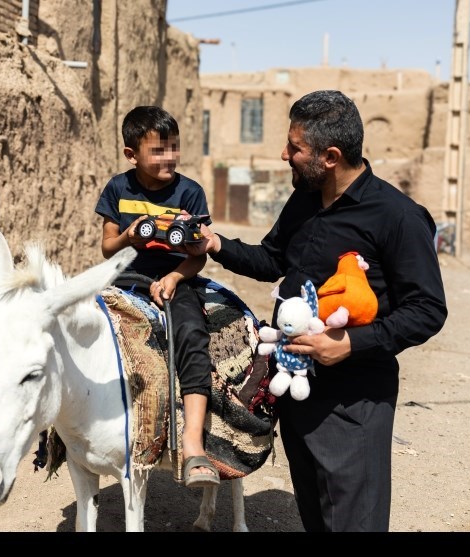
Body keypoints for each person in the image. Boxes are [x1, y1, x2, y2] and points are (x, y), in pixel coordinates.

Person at [184, 90, 448, 531]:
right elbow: (272, 259)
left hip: (354, 403)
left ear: (330, 156)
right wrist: (216, 245)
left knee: (353, 522)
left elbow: (427, 309)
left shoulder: (397, 216)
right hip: (298, 394)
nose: (283, 154)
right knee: (317, 518)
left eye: (294, 147)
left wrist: (348, 343)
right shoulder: (306, 200)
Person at [94, 105, 219, 488]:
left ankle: (194, 443)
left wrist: (174, 277)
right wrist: (130, 236)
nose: (169, 158)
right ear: (132, 154)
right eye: (158, 150)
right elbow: (107, 249)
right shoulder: (118, 188)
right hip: (126, 276)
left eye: (174, 148)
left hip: (176, 279)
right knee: (69, 323)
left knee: (192, 335)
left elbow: (197, 257)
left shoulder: (190, 192)